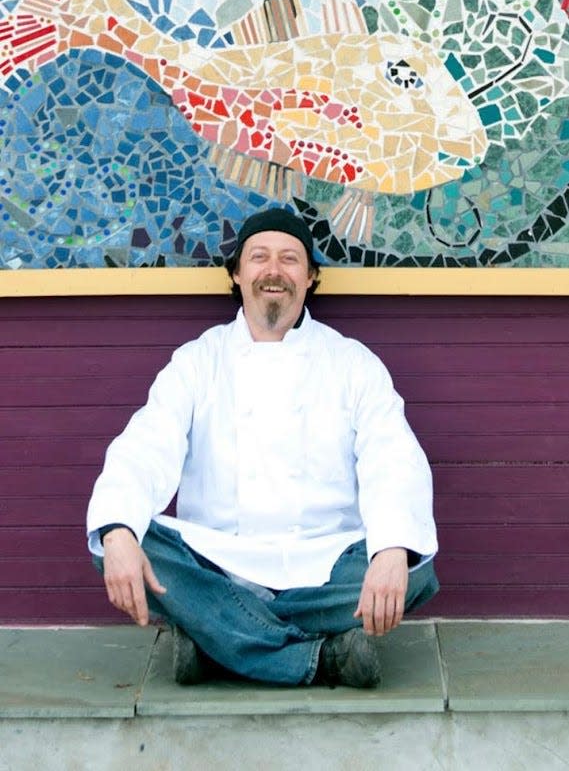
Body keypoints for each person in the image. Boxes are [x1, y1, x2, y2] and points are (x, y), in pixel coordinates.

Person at [87, 207, 438, 688]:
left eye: (290, 259)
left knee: (415, 568)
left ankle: (218, 641)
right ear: (237, 273)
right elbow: (146, 444)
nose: (274, 271)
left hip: (326, 564)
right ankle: (320, 658)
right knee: (120, 540)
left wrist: (393, 549)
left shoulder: (352, 363)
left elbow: (392, 457)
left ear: (311, 277)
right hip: (220, 562)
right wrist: (120, 532)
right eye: (259, 257)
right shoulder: (197, 361)